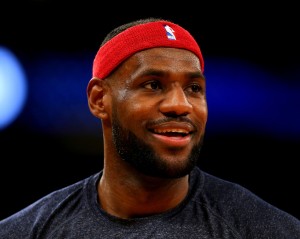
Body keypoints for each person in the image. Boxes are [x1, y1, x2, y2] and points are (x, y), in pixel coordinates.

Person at [0, 17, 299, 239]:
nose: (180, 105)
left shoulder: (265, 229)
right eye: (153, 85)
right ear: (99, 100)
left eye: (194, 88)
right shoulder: (27, 231)